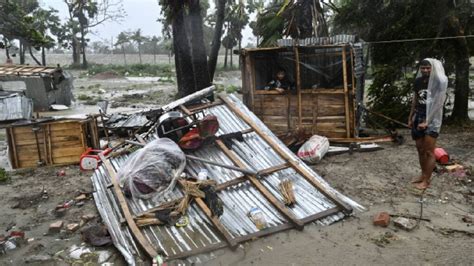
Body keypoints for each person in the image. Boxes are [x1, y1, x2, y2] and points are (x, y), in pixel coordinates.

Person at [408, 58, 448, 190]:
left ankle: (427, 180)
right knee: (420, 149)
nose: (425, 70)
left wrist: (428, 121)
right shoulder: (418, 81)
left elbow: (439, 103)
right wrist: (410, 117)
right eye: (423, 67)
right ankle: (423, 174)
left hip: (433, 117)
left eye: (428, 68)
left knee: (429, 151)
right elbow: (415, 99)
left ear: (433, 68)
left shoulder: (439, 81)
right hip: (419, 115)